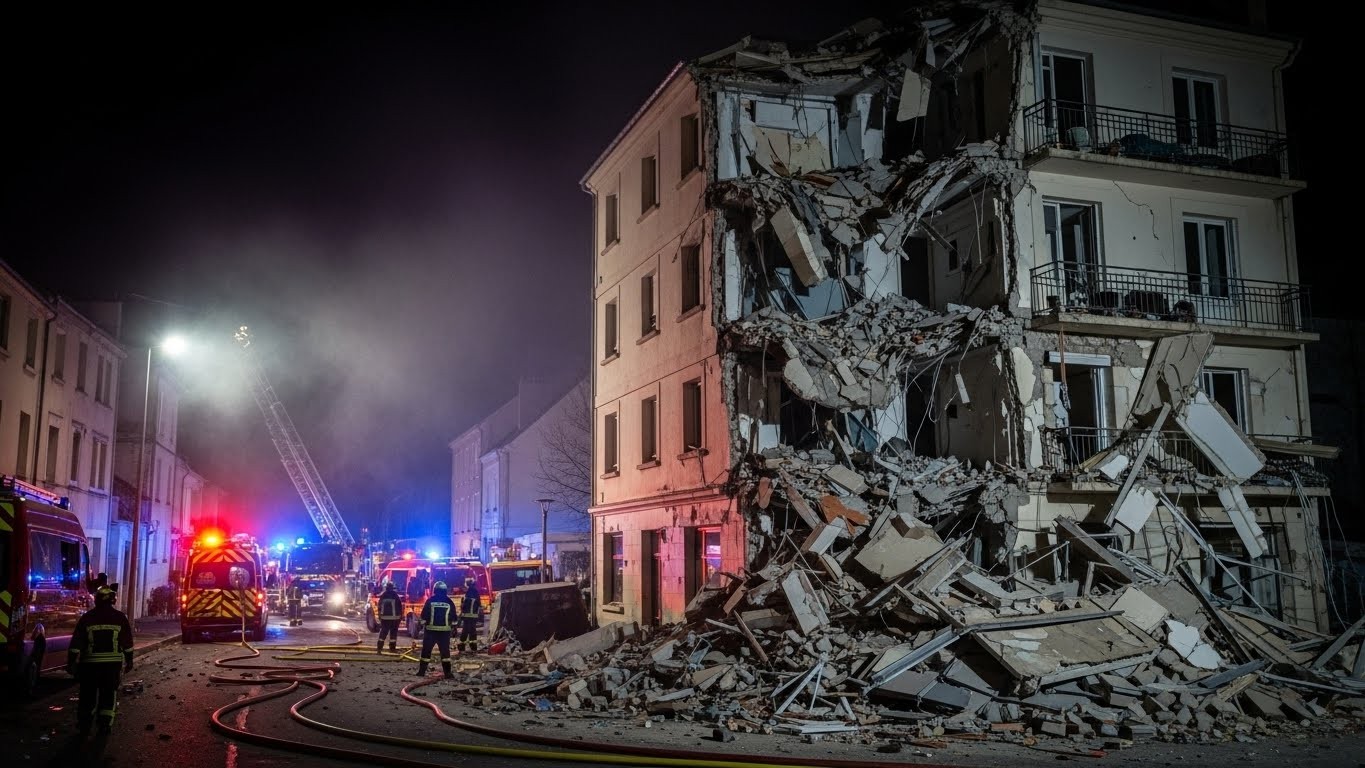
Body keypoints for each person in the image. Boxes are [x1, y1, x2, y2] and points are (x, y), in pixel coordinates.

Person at [67, 586, 134, 739]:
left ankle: (84, 726)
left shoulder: (87, 618)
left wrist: (71, 663)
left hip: (89, 665)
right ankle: (104, 726)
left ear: (96, 600)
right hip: (112, 666)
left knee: (87, 696)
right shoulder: (120, 617)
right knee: (109, 696)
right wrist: (129, 661)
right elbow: (127, 644)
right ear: (113, 600)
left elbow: (76, 644)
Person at [416, 581, 454, 679]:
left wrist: (421, 625)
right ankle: (448, 673)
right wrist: (453, 628)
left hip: (430, 632)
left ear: (435, 590)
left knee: (426, 652)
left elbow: (424, 616)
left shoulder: (430, 601)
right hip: (444, 633)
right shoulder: (449, 602)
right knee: (445, 653)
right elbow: (454, 619)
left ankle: (421, 672)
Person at [376, 581, 402, 653]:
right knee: (393, 634)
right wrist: (400, 617)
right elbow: (400, 607)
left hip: (385, 618)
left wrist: (380, 616)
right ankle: (392, 649)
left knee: (383, 633)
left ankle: (379, 648)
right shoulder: (395, 595)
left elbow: (379, 606)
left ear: (386, 588)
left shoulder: (383, 595)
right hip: (394, 619)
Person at [457, 577, 481, 654]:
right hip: (473, 616)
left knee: (465, 631)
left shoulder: (468, 593)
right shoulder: (475, 592)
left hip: (467, 616)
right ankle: (473, 647)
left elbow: (464, 606)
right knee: (472, 631)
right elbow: (478, 604)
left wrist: (461, 613)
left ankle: (461, 647)